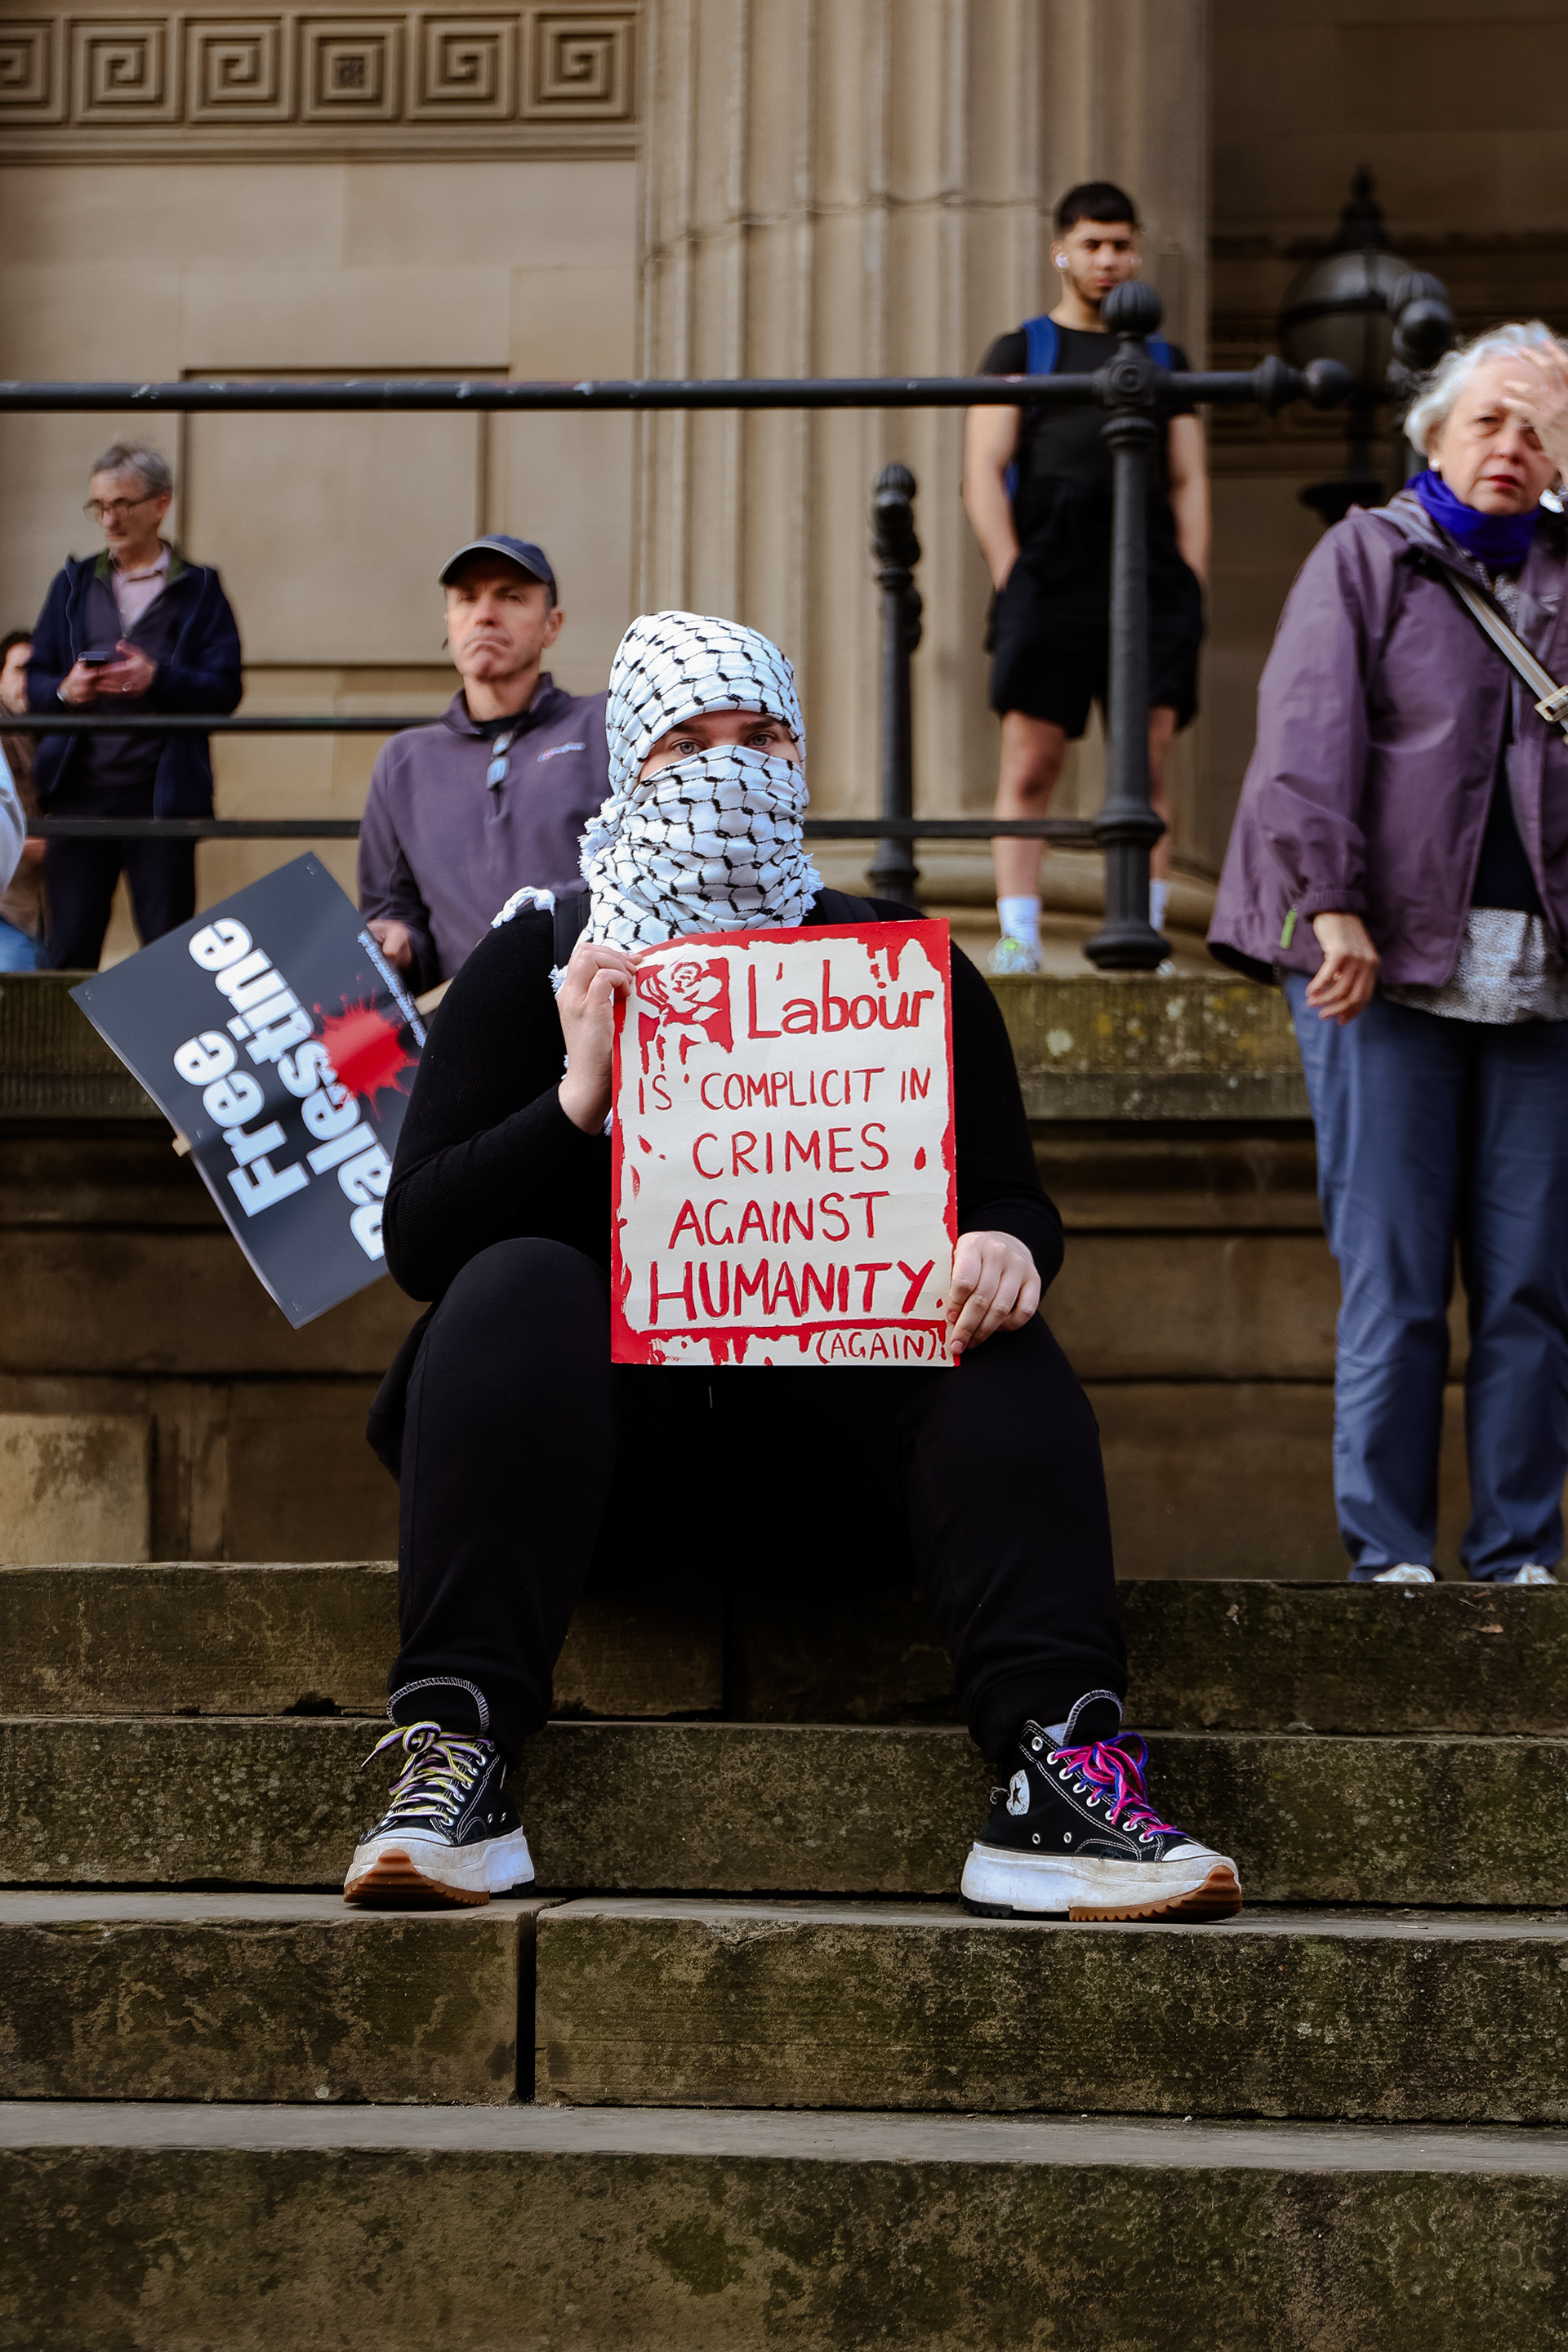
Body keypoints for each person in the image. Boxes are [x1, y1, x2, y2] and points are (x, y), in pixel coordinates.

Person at [341, 607, 1241, 1923]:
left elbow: (1007, 1198)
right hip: (600, 1478)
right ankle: (457, 1749)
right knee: (517, 1281)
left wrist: (1005, 1247)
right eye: (686, 745)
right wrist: (576, 1098)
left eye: (760, 736)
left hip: (836, 1469)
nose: (731, 766)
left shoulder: (903, 963)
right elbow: (419, 1243)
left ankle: (1063, 1765)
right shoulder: (541, 956)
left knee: (996, 1338)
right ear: (627, 766)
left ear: (801, 753)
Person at [1209, 321, 1568, 1588]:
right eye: (1490, 422)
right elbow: (1306, 742)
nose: (1513, 447)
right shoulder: (1367, 556)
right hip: (1385, 966)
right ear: (1435, 435)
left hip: (1544, 986)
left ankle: (1521, 1551)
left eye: (1540, 429)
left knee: (1532, 1290)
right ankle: (1392, 1558)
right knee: (1398, 1282)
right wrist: (1330, 906)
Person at [963, 180, 1209, 972]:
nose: (1108, 260)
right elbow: (982, 469)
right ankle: (1019, 937)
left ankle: (1149, 933)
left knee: (1149, 767)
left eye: (1120, 245)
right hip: (1052, 571)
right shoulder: (1022, 349)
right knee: (1030, 763)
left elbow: (1187, 480)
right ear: (1060, 250)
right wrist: (1011, 575)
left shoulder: (1165, 358)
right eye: (1092, 244)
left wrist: (1191, 581)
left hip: (1149, 577)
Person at [357, 535, 609, 993]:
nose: (485, 614)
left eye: (511, 597)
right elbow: (396, 914)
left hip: (594, 1008)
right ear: (449, 623)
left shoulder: (605, 725)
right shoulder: (404, 761)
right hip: (464, 1029)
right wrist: (398, 944)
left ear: (553, 625)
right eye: (467, 599)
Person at [28, 442, 243, 971]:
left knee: (169, 953)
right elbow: (33, 684)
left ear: (160, 505)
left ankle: (171, 1054)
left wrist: (158, 677)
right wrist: (65, 690)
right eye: (99, 506)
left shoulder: (200, 589)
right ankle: (59, 1056)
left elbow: (225, 690)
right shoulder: (73, 584)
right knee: (70, 950)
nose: (109, 518)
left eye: (122, 503)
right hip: (78, 796)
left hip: (161, 799)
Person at [0, 631, 44, 970]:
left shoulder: (52, 731)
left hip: (46, 913)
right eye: (20, 669)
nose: (31, 680)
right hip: (8, 913)